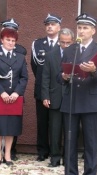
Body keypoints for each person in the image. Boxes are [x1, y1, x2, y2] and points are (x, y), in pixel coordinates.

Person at [57, 13, 97, 175]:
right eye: (79, 27)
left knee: (90, 141)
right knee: (70, 140)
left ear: (93, 31)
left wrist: (94, 70)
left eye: (85, 27)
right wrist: (63, 76)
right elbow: (59, 74)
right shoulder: (69, 49)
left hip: (91, 101)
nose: (81, 30)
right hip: (71, 100)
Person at [31, 14, 62, 161]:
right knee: (42, 122)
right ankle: (42, 151)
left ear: (59, 27)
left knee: (57, 123)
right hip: (41, 88)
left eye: (53, 24)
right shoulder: (37, 44)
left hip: (59, 88)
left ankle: (57, 151)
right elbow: (35, 66)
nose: (49, 26)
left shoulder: (63, 43)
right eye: (47, 24)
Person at [41, 28, 74, 167]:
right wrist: (45, 96)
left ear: (72, 41)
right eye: (62, 42)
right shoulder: (50, 55)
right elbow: (45, 77)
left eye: (68, 43)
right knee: (55, 130)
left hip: (72, 97)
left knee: (70, 131)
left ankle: (68, 159)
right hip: (55, 97)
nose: (65, 45)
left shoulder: (77, 54)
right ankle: (55, 158)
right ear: (58, 41)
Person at [0, 28, 28, 165]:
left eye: (13, 41)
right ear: (2, 40)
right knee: (0, 127)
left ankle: (8, 155)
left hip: (14, 98)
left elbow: (24, 77)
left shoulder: (20, 57)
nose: (10, 43)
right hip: (1, 96)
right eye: (8, 40)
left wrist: (16, 93)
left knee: (11, 127)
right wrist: (2, 92)